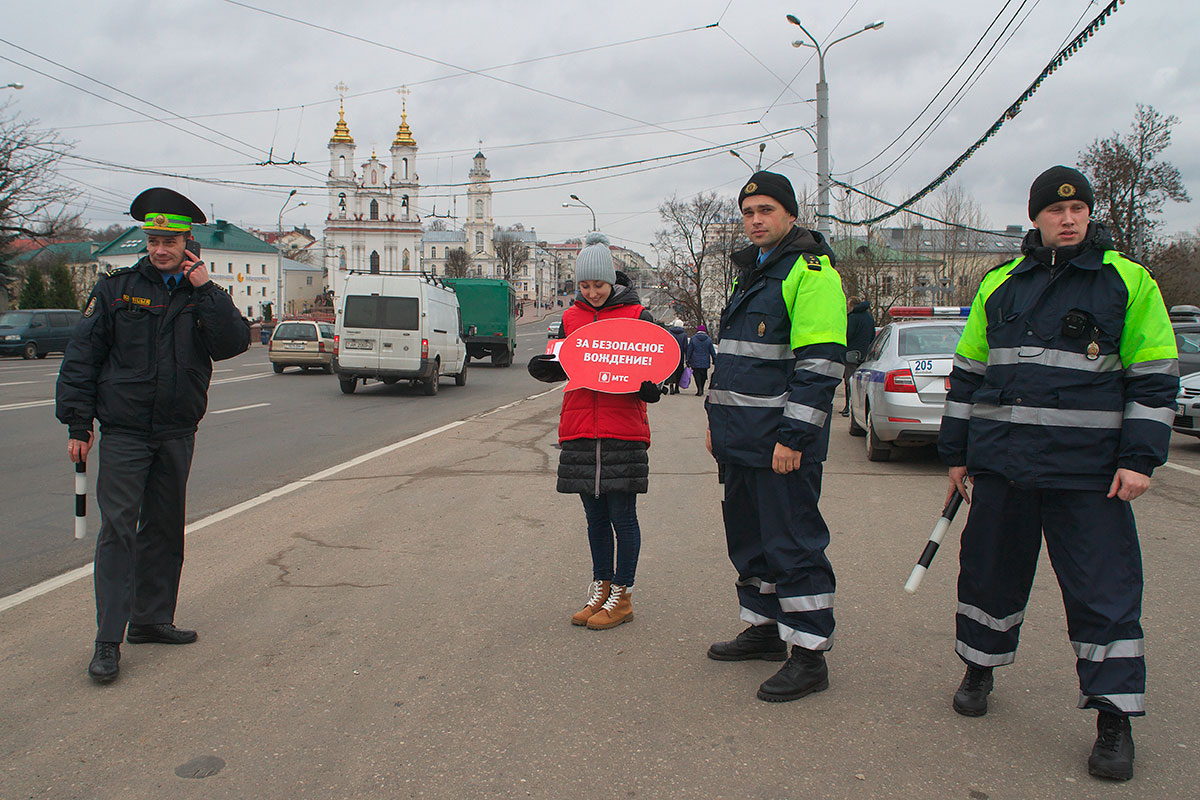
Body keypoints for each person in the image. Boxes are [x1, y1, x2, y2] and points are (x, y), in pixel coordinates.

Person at [938, 166, 1178, 781]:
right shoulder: (1000, 284)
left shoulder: (1129, 281)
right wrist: (956, 453)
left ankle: (1113, 718)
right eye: (1054, 211)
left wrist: (1139, 458)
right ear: (1036, 217)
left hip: (1088, 476)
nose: (1068, 219)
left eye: (1078, 210)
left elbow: (1153, 379)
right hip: (1003, 469)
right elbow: (968, 376)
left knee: (1105, 594)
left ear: (1089, 215)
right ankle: (979, 669)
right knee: (989, 577)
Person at [56, 187, 251, 683]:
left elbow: (232, 343)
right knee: (118, 530)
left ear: (188, 242)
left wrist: (207, 288)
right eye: (153, 239)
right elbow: (82, 358)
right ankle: (107, 641)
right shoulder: (116, 289)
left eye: (169, 240)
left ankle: (151, 620)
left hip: (176, 430)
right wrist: (79, 423)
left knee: (164, 528)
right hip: (124, 430)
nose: (160, 248)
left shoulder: (200, 293)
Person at [704, 171, 847, 702]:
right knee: (751, 541)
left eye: (765, 210)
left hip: (782, 445)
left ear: (789, 214)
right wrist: (716, 424)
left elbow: (820, 365)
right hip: (742, 440)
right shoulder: (755, 273)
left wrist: (793, 438)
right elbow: (738, 364)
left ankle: (809, 655)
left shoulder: (811, 275)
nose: (755, 220)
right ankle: (765, 631)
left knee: (793, 544)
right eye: (747, 212)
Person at [527, 232, 662, 630]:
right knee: (595, 518)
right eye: (584, 285)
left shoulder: (638, 316)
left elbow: (658, 368)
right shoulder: (570, 318)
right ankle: (601, 588)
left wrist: (651, 385)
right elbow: (564, 361)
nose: (592, 292)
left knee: (623, 516)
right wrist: (550, 366)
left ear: (612, 281)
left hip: (623, 428)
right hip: (581, 427)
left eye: (598, 285)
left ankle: (623, 595)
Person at [841, 296, 875, 415]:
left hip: (851, 354)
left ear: (852, 306)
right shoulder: (869, 318)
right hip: (865, 355)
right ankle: (859, 408)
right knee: (862, 384)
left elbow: (847, 335)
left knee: (849, 381)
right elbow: (872, 336)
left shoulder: (853, 318)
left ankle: (848, 407)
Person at [686, 323, 717, 396]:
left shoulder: (693, 339)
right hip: (705, 361)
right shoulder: (708, 340)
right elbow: (712, 351)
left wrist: (688, 359)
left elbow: (689, 350)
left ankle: (699, 388)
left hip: (695, 360)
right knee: (703, 375)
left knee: (697, 375)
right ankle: (702, 389)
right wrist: (714, 360)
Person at [664, 319, 689, 394]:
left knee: (672, 372)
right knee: (679, 372)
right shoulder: (684, 335)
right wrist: (686, 357)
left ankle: (671, 386)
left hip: (671, 356)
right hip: (680, 357)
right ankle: (677, 387)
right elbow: (685, 347)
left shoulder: (669, 333)